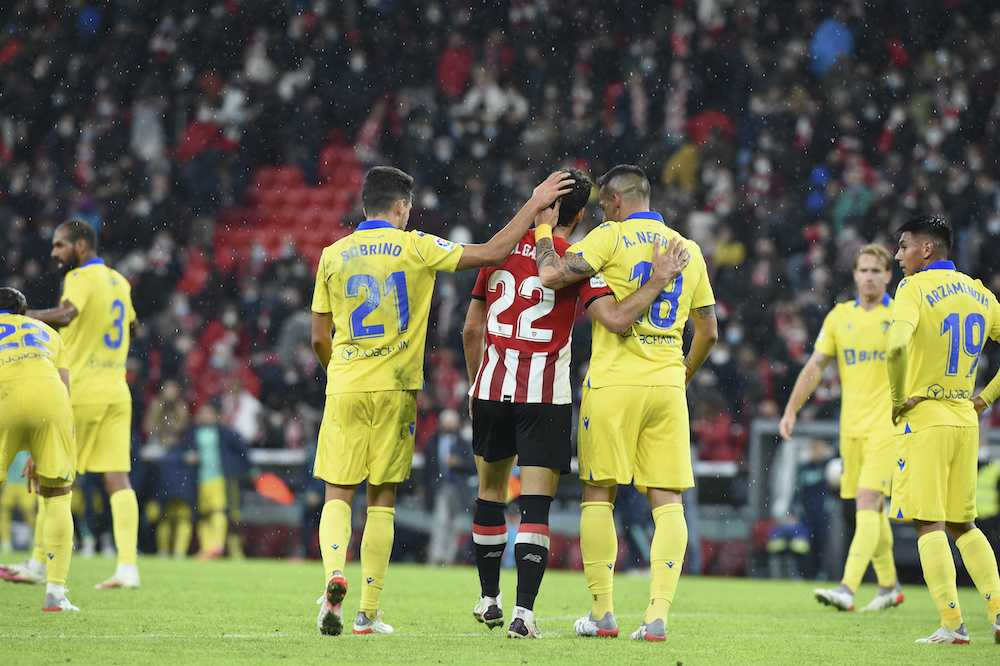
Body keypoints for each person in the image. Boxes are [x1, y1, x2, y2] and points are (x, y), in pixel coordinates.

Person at [311, 166, 576, 637]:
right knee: (381, 501)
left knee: (337, 490)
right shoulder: (416, 245)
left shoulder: (332, 255)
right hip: (396, 387)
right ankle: (367, 614)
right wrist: (535, 204)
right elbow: (494, 252)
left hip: (346, 383)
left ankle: (334, 573)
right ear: (399, 208)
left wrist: (340, 372)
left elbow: (317, 337)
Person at [463, 166, 689, 639]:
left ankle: (488, 598)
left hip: (491, 386)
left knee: (489, 494)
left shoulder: (498, 251)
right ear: (581, 212)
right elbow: (611, 315)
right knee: (535, 506)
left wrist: (476, 385)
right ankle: (523, 613)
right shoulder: (579, 256)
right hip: (544, 393)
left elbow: (470, 330)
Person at [533, 164, 718, 642]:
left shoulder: (610, 238)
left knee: (599, 495)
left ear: (615, 202)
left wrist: (542, 232)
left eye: (603, 205)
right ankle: (656, 616)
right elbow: (709, 330)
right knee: (668, 500)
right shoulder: (687, 249)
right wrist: (680, 373)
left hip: (614, 385)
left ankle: (602, 614)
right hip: (666, 386)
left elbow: (551, 277)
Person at [1, 219, 140, 589]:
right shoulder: (120, 282)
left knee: (52, 479)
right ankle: (128, 567)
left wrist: (21, 317)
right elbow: (133, 327)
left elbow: (66, 315)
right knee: (118, 479)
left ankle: (37, 562)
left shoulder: (80, 279)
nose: (54, 253)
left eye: (60, 245)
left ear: (81, 247)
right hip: (115, 391)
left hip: (79, 391)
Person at [887, 213, 1000, 644]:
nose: (898, 257)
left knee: (928, 523)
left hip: (927, 419)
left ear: (926, 249)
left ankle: (952, 625)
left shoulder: (913, 289)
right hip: (965, 421)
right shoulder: (977, 290)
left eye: (903, 246)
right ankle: (998, 611)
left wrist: (898, 399)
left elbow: (896, 345)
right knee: (964, 525)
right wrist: (985, 398)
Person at [778, 244, 904, 610]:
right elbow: (816, 365)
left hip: (888, 425)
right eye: (863, 270)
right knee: (871, 508)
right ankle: (889, 585)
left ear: (887, 275)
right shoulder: (839, 317)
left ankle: (848, 587)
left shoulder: (900, 315)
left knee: (867, 500)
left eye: (876, 270)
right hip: (850, 429)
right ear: (854, 274)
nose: (869, 276)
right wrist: (791, 409)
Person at [0, 287, 79, 611]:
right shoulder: (46, 331)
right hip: (51, 399)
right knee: (58, 495)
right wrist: (41, 447)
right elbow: (64, 386)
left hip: (4, 396)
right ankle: (55, 594)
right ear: (23, 311)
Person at [424, 409, 475, 567]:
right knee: (441, 521)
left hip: (458, 487)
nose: (449, 426)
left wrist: (458, 462)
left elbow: (472, 466)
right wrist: (424, 486)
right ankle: (437, 555)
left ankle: (448, 557)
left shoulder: (462, 442)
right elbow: (428, 467)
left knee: (454, 523)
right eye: (447, 423)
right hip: (441, 486)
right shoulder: (433, 441)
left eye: (452, 423)